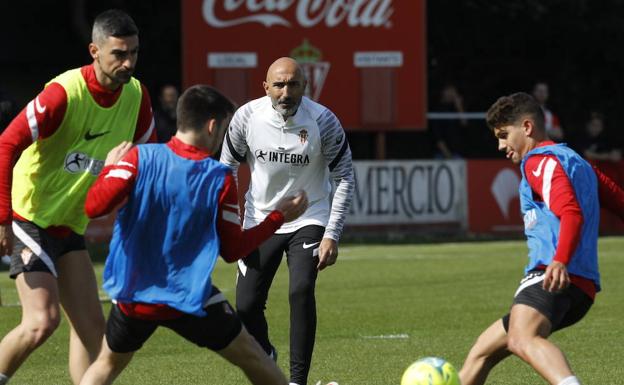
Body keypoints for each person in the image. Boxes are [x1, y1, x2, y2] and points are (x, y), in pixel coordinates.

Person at [79, 85, 308, 385]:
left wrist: (109, 170)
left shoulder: (137, 159)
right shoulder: (218, 179)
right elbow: (233, 250)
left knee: (106, 365)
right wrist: (278, 217)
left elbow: (94, 206)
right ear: (212, 125)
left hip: (135, 294)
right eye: (224, 129)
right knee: (253, 356)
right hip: (188, 297)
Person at [0, 9, 155, 385]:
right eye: (118, 53)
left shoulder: (136, 96)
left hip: (69, 224)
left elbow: (147, 160)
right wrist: (3, 218)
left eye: (133, 53)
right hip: (29, 215)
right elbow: (6, 144)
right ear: (94, 51)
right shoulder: (63, 93)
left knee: (95, 336)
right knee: (41, 322)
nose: (128, 62)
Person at [459, 92, 624, 385]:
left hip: (553, 275)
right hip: (579, 286)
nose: (500, 145)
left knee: (522, 339)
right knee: (481, 353)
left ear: (526, 127)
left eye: (503, 135)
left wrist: (559, 260)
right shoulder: (578, 162)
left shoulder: (539, 161)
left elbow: (571, 212)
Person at [220, 57, 354, 385]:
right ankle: (266, 354)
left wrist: (331, 234)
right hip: (261, 219)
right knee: (246, 305)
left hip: (310, 217)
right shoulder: (246, 117)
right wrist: (232, 222)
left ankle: (296, 381)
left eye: (293, 84)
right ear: (265, 87)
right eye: (278, 85)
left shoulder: (324, 121)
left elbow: (345, 176)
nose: (285, 92)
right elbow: (225, 169)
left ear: (304, 87)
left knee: (301, 289)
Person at [429, 83, 468, 159]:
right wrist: (448, 155)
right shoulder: (437, 110)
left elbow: (464, 124)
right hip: (440, 154)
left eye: (454, 91)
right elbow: (437, 136)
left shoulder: (456, 109)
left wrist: (459, 107)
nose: (453, 93)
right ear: (443, 92)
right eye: (450, 90)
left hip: (457, 154)